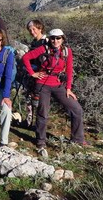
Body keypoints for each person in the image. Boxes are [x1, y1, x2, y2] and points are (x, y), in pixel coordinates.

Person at [21, 29, 85, 157]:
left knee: (76, 109)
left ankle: (77, 139)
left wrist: (68, 88)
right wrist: (33, 73)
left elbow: (69, 70)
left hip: (57, 84)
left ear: (63, 39)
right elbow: (25, 57)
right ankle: (40, 141)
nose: (55, 41)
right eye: (53, 38)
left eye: (58, 38)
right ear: (49, 39)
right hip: (43, 84)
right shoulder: (43, 49)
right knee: (43, 113)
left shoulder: (66, 52)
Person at [23, 19, 48, 127]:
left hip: (41, 75)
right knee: (28, 97)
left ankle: (38, 124)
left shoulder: (46, 42)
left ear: (40, 28)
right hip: (32, 74)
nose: (32, 31)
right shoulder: (34, 42)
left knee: (38, 100)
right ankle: (29, 121)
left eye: (34, 29)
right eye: (30, 30)